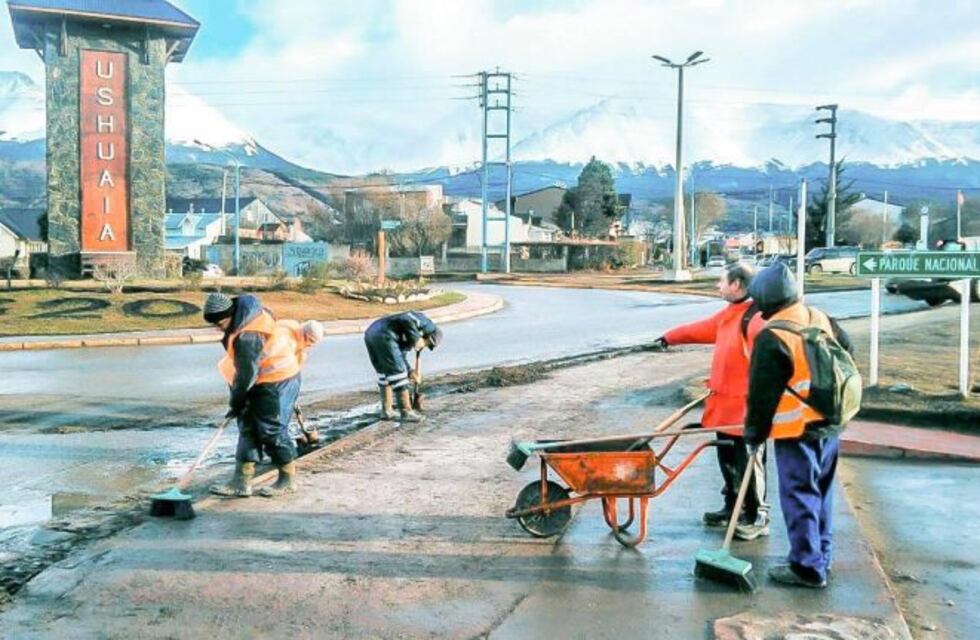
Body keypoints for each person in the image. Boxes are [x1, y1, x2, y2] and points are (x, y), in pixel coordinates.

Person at [744, 262, 853, 589]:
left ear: (765, 298)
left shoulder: (772, 335)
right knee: (821, 492)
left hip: (798, 429)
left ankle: (806, 567)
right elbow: (848, 349)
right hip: (831, 422)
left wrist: (754, 435)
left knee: (800, 494)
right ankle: (822, 556)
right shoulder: (818, 317)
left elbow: (762, 395)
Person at [652, 263, 769, 540]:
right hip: (724, 407)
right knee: (728, 462)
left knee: (750, 465)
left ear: (737, 285)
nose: (718, 286)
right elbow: (702, 329)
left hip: (746, 410)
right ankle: (733, 508)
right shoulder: (731, 314)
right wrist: (670, 337)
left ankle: (757, 516)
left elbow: (772, 358)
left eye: (721, 281)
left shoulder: (756, 319)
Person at [203, 292, 306, 499]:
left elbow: (246, 374)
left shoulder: (248, 335)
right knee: (248, 427)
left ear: (230, 315)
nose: (218, 328)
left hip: (277, 380)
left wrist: (236, 402)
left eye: (220, 323)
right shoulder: (244, 317)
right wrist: (241, 406)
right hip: (260, 379)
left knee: (271, 430)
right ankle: (241, 481)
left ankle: (287, 479)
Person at [364, 311, 443, 423]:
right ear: (429, 337)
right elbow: (406, 317)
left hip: (372, 334)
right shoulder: (427, 324)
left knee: (384, 373)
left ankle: (387, 410)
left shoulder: (405, 335)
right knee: (398, 374)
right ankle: (406, 411)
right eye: (427, 344)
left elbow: (400, 357)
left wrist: (410, 372)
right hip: (386, 335)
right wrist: (416, 339)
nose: (424, 347)